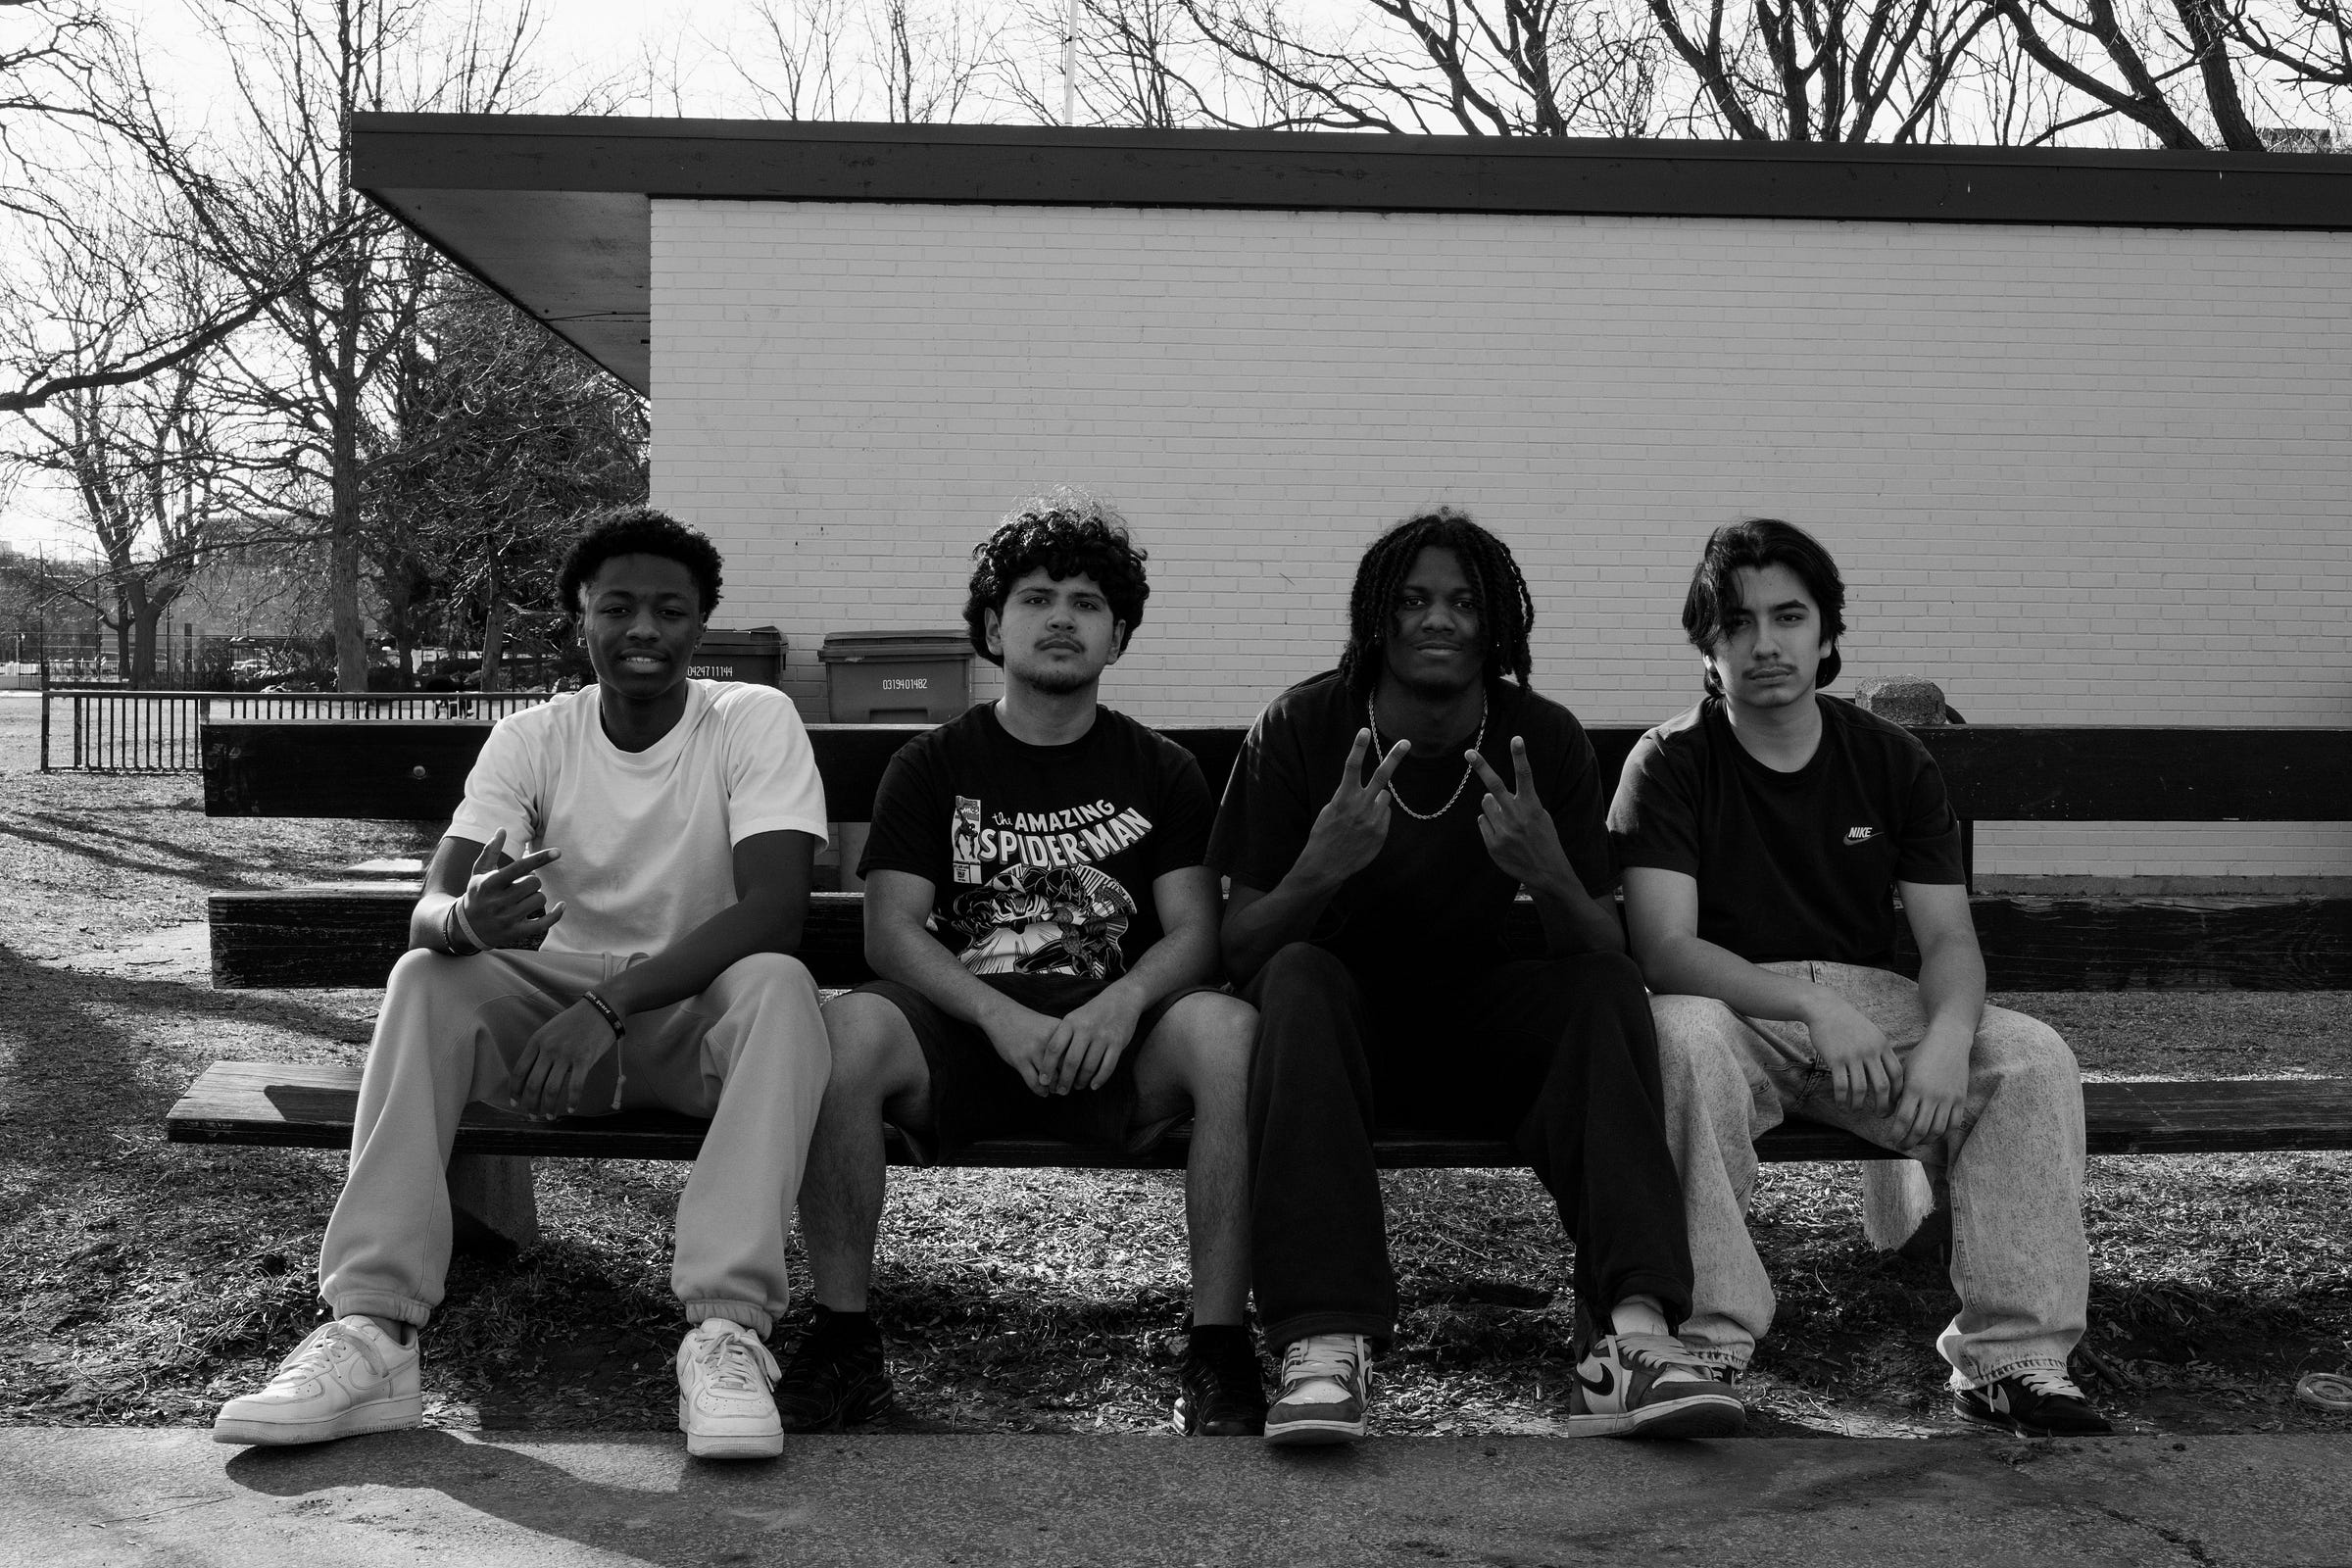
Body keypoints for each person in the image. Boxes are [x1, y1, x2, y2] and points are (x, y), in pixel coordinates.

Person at [214, 509, 834, 1460]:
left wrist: (608, 1005)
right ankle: (374, 1333)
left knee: (782, 983)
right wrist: (467, 921)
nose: (642, 629)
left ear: (701, 623)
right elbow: (430, 905)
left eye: (669, 610)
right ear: (578, 619)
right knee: (427, 975)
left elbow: (774, 909)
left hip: (680, 1024)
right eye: (616, 606)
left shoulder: (752, 720)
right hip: (551, 1048)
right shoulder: (534, 737)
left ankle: (726, 1331)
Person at [1209, 508, 1744, 1446]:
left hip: (1484, 1024)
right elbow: (1238, 948)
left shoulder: (1541, 737)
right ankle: (1324, 1347)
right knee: (1294, 975)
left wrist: (1547, 870)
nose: (1438, 619)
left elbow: (1603, 951)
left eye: (1463, 601)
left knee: (1606, 993)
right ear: (1377, 614)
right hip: (1341, 1031)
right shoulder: (1302, 727)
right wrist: (1320, 866)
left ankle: (1637, 1343)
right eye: (1413, 599)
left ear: (1497, 621)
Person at [1610, 516, 2111, 1439]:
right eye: (1736, 623)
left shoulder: (1889, 760)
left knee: (2032, 1058)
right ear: (1708, 647)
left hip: (1872, 1016)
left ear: (1828, 634)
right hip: (1729, 1006)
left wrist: (1951, 1040)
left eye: (1789, 616)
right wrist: (1809, 1005)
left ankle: (2014, 1361)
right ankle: (1703, 1346)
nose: (1765, 643)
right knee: (1671, 1032)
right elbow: (1664, 950)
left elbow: (1948, 938)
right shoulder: (1669, 762)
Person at [782, 493, 1263, 1436]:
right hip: (962, 1037)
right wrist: (998, 1016)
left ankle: (1218, 1350)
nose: (1060, 618)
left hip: (1113, 1042)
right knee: (843, 1029)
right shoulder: (931, 764)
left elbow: (1195, 933)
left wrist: (1122, 1006)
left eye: (1087, 604)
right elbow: (891, 933)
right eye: (1037, 597)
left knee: (1232, 1034)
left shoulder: (1161, 770)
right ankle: (842, 1338)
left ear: (1117, 637)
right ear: (993, 627)